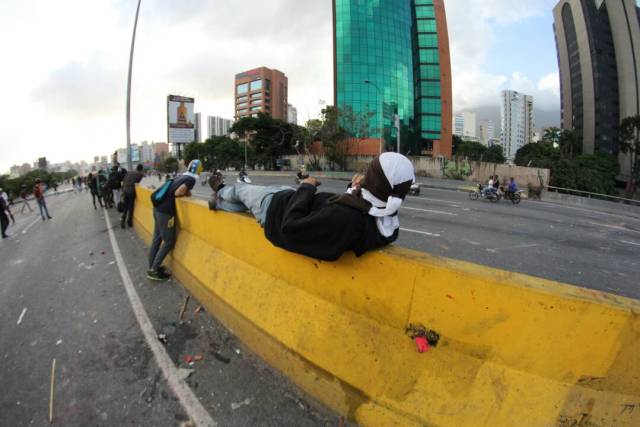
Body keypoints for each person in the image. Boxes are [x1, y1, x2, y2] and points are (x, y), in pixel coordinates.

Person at [207, 153, 415, 261]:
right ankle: (220, 203)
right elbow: (360, 207)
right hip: (289, 199)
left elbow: (291, 227)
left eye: (371, 171)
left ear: (377, 181)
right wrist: (355, 188)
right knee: (245, 200)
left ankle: (221, 189)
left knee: (240, 191)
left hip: (275, 210)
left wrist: (306, 188)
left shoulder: (347, 218)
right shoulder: (383, 217)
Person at [147, 159, 201, 281]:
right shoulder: (191, 179)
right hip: (166, 212)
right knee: (169, 241)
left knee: (157, 238)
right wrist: (186, 192)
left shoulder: (181, 176)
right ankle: (154, 270)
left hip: (157, 209)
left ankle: (151, 266)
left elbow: (176, 189)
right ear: (199, 170)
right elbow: (178, 192)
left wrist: (186, 192)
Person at [121, 164, 144, 229]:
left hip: (125, 190)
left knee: (125, 207)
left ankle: (123, 220)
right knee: (131, 207)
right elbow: (140, 184)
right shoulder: (140, 174)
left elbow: (124, 181)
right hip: (131, 191)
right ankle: (129, 222)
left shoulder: (129, 172)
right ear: (141, 169)